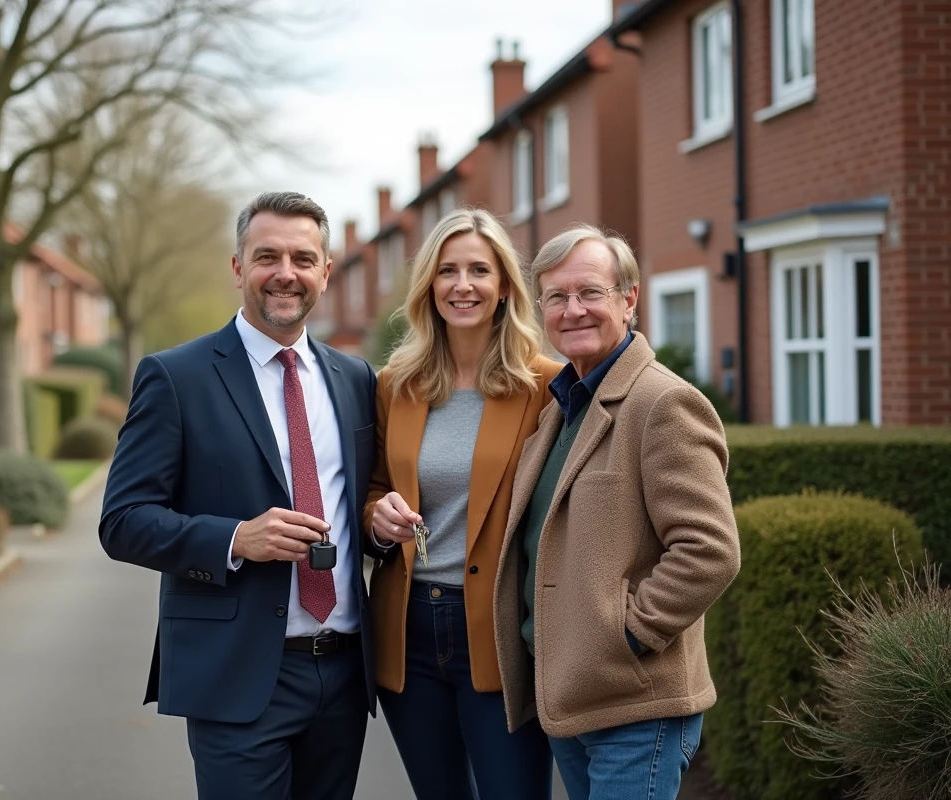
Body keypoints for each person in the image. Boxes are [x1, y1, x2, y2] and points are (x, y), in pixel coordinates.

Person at [99, 191, 380, 800]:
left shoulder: (356, 379)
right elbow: (121, 520)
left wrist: (378, 521)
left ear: (326, 272)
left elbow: (358, 499)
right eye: (267, 256)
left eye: (304, 258)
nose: (286, 273)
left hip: (343, 669)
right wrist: (234, 539)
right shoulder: (176, 376)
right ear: (237, 268)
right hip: (237, 673)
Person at [492, 223, 741, 800]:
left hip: (635, 706)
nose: (572, 310)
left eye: (590, 293)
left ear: (629, 299)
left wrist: (626, 635)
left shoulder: (663, 403)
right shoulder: (561, 406)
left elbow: (710, 550)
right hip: (571, 701)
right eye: (556, 297)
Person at [366, 208, 559, 800]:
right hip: (408, 630)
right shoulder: (396, 384)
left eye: (480, 269)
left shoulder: (548, 386)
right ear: (429, 285)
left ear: (504, 286)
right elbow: (374, 486)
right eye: (447, 270)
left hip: (500, 633)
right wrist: (378, 519)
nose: (463, 284)